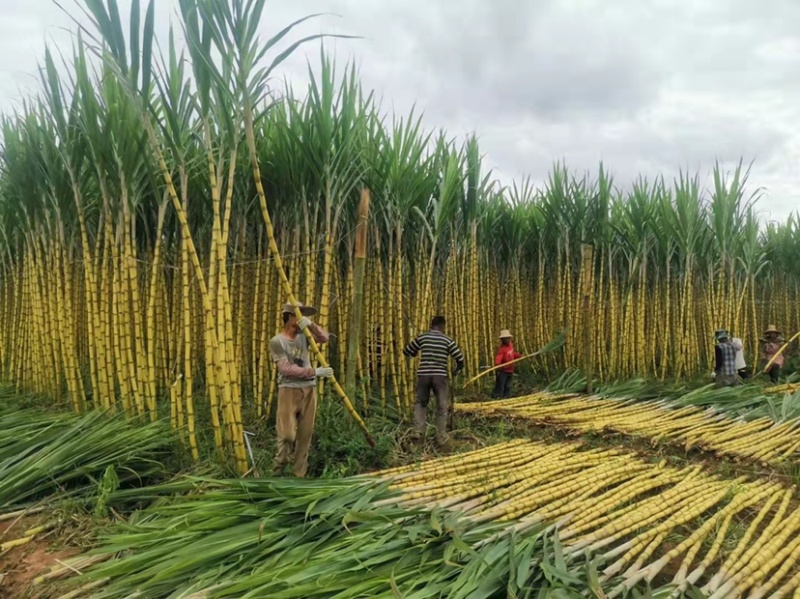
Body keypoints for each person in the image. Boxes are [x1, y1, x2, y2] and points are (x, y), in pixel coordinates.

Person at [269, 302, 333, 478]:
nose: (303, 318)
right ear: (290, 317)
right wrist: (314, 372)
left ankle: (299, 476)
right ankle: (278, 471)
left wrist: (311, 325)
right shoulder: (277, 341)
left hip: (309, 390)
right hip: (288, 390)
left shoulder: (304, 336)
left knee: (305, 436)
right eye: (300, 314)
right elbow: (285, 369)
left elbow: (324, 338)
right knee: (287, 435)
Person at [403, 316, 465, 446]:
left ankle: (418, 431)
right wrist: (456, 370)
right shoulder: (447, 340)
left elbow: (407, 351)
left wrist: (415, 352)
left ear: (431, 325)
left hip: (424, 375)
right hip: (440, 377)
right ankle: (440, 436)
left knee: (420, 402)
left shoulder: (422, 337)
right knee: (442, 407)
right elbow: (460, 358)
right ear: (443, 326)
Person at [493, 330, 522, 399]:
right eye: (505, 338)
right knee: (501, 385)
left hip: (510, 370)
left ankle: (507, 397)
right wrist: (498, 365)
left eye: (508, 338)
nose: (507, 340)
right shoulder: (502, 349)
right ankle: (498, 397)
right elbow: (498, 358)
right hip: (503, 371)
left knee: (508, 386)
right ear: (502, 340)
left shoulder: (510, 345)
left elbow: (512, 354)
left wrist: (519, 356)